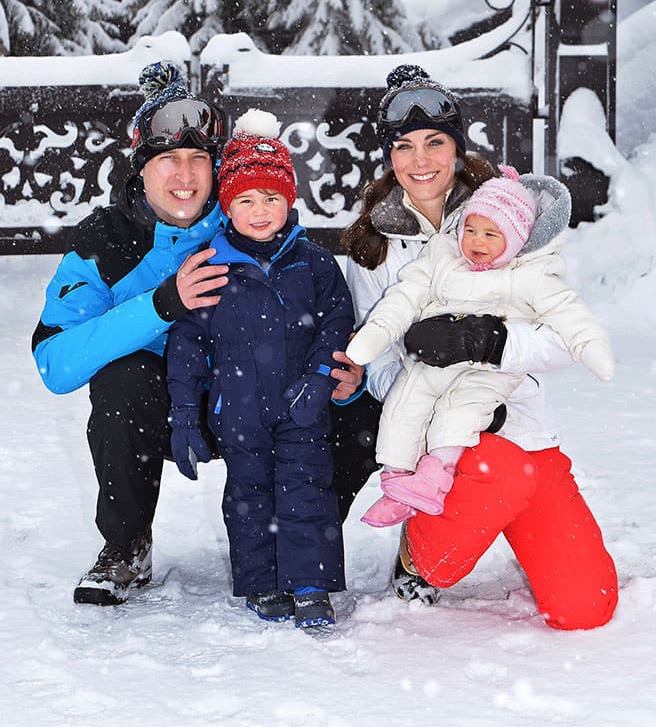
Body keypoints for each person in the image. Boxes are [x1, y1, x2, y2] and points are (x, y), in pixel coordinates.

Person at [31, 62, 362, 606]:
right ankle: (126, 544)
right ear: (141, 167)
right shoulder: (105, 240)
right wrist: (162, 304)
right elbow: (55, 364)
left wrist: (346, 370)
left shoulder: (252, 219)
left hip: (271, 398)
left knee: (357, 398)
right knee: (122, 379)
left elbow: (325, 310)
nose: (183, 175)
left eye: (197, 159)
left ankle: (299, 531)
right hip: (175, 407)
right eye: (167, 159)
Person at [341, 63, 618, 629]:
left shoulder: (511, 215)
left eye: (435, 143)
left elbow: (565, 335)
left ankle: (501, 513)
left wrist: (494, 342)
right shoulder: (375, 245)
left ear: (458, 148)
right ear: (389, 157)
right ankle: (420, 556)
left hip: (524, 426)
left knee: (586, 606)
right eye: (405, 147)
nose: (421, 161)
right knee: (495, 474)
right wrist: (438, 391)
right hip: (444, 436)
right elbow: (376, 362)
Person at [166, 109, 354, 628]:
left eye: (271, 197)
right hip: (240, 412)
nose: (259, 210)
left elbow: (338, 322)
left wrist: (320, 376)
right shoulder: (210, 265)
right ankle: (263, 582)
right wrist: (186, 413)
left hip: (302, 405)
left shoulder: (314, 262)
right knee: (249, 498)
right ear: (228, 206)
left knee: (307, 491)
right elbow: (186, 343)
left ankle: (312, 585)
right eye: (245, 199)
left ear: (288, 200)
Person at [346, 166, 614, 526]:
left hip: (490, 379)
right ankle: (397, 482)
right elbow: (402, 297)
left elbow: (569, 320)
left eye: (491, 234)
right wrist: (378, 335)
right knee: (403, 404)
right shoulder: (441, 258)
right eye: (470, 230)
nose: (477, 241)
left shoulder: (530, 274)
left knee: (459, 414)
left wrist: (492, 342)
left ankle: (432, 476)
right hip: (430, 364)